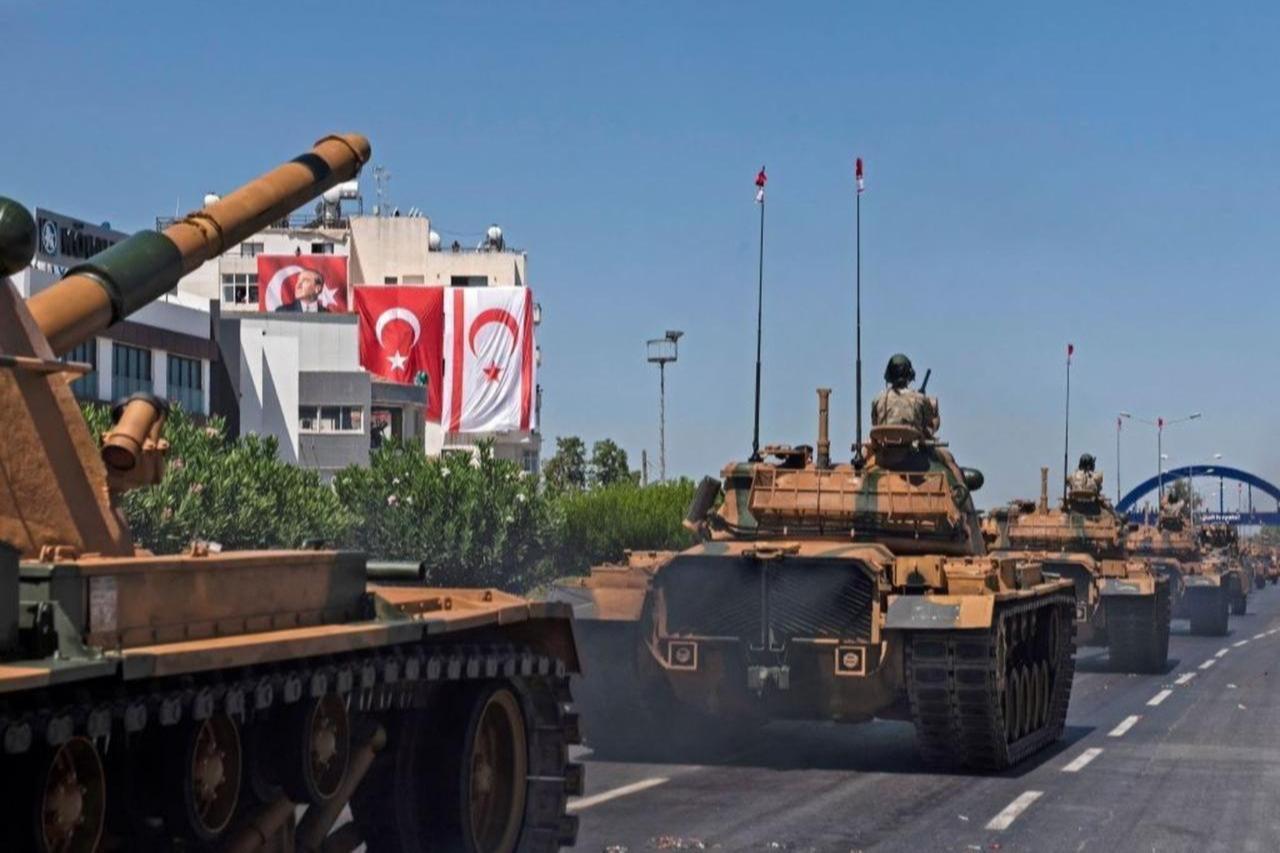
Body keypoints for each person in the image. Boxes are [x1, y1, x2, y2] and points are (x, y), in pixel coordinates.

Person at [870, 353, 940, 437]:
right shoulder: (920, 398)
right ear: (910, 374)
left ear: (889, 375)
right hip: (914, 444)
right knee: (934, 416)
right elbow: (929, 422)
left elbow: (875, 423)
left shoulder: (878, 399)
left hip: (884, 443)